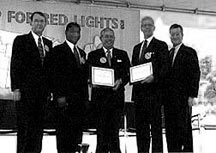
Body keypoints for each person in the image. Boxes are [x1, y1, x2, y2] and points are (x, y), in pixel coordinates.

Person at [10, 11, 53, 153]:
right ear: (31, 22)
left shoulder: (48, 43)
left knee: (38, 131)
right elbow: (15, 65)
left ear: (45, 24)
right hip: (25, 94)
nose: (39, 23)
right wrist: (16, 88)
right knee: (25, 130)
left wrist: (50, 91)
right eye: (37, 21)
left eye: (42, 21)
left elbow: (48, 70)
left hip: (42, 96)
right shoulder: (21, 40)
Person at [87, 27, 130, 153]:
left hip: (116, 102)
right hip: (100, 103)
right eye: (106, 36)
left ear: (114, 38)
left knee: (114, 135)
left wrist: (121, 81)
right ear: (101, 39)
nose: (109, 39)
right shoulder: (93, 55)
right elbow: (88, 75)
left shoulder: (122, 54)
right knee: (101, 135)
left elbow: (128, 74)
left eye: (111, 36)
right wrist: (92, 82)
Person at [131, 16, 169, 153]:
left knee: (156, 130)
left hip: (154, 95)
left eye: (149, 25)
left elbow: (165, 68)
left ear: (154, 28)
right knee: (141, 130)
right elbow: (133, 69)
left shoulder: (161, 45)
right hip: (139, 96)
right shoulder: (136, 48)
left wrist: (154, 77)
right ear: (141, 28)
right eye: (144, 25)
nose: (147, 27)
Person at [51, 22, 88, 153]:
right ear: (66, 33)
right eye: (72, 31)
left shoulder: (82, 53)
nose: (75, 34)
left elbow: (84, 77)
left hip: (79, 102)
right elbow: (55, 75)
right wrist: (59, 96)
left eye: (77, 32)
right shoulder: (57, 50)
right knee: (64, 135)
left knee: (77, 135)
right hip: (65, 101)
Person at [164, 24, 200, 153]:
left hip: (183, 99)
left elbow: (195, 74)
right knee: (170, 130)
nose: (175, 37)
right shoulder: (168, 54)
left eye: (177, 34)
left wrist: (192, 96)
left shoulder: (189, 52)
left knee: (184, 130)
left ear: (182, 35)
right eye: (172, 35)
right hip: (169, 100)